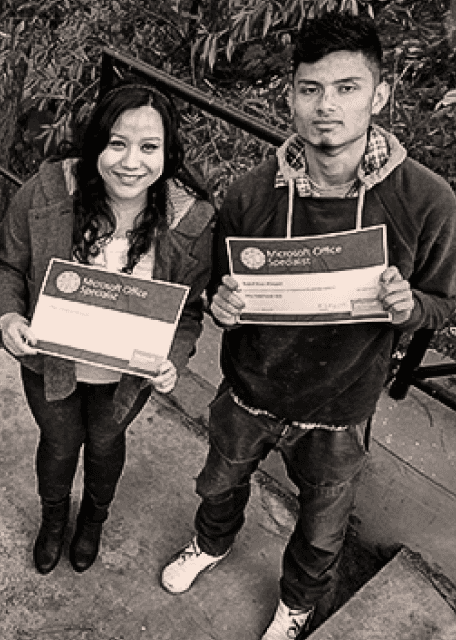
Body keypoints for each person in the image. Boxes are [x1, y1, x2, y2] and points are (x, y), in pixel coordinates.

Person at [160, 13, 456, 640]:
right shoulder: (250, 195)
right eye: (311, 89)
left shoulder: (427, 201)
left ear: (380, 94)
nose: (327, 106)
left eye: (347, 88)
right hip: (248, 392)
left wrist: (408, 308)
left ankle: (297, 602)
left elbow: (439, 304)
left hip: (341, 407)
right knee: (220, 484)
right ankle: (211, 544)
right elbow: (222, 288)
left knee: (322, 527)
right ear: (291, 96)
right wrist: (222, 306)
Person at [0, 84, 215, 575]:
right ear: (95, 145)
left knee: (106, 444)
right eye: (117, 143)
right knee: (59, 443)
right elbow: (6, 267)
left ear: (168, 154)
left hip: (124, 377)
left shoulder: (188, 223)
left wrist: (172, 360)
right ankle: (53, 519)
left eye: (149, 147)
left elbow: (188, 313)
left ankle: (92, 520)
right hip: (50, 364)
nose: (131, 162)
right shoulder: (47, 194)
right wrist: (8, 318)